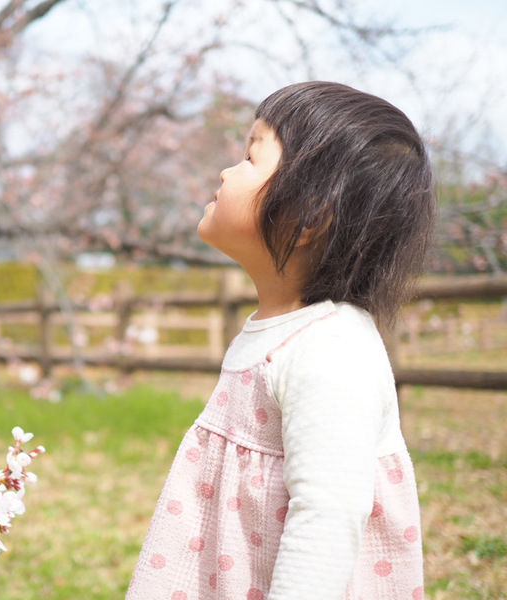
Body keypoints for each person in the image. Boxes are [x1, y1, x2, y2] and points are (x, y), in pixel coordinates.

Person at [126, 81, 435, 600]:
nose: (226, 171)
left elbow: (328, 515)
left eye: (250, 157)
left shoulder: (332, 349)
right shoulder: (278, 329)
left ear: (311, 216)